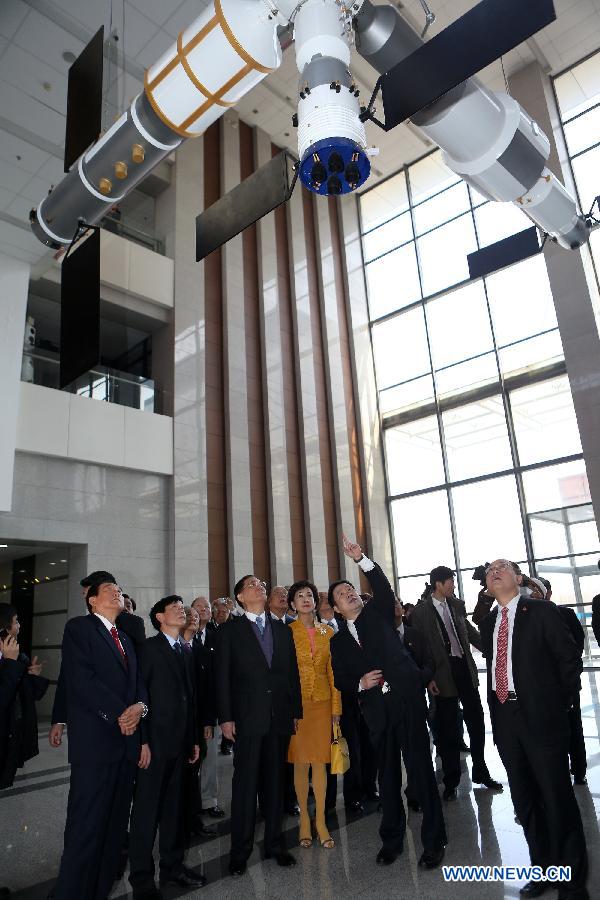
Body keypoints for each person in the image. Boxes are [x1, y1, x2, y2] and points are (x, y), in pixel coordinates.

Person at [329, 535, 447, 869]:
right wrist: (358, 682)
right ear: (336, 609)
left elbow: (381, 587)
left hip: (407, 703)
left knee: (421, 773)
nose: (350, 593)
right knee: (389, 778)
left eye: (351, 589)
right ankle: (391, 840)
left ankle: (434, 841)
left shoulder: (377, 613)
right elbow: (339, 678)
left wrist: (361, 558)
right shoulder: (337, 643)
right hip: (377, 714)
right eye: (341, 594)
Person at [480, 559, 588, 900]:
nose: (494, 572)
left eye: (502, 567)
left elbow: (569, 660)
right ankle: (543, 868)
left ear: (517, 577)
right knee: (525, 800)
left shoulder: (539, 612)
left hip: (542, 717)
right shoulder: (488, 622)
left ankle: (572, 881)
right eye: (489, 571)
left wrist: (558, 705)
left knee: (556, 796)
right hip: (505, 719)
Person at [52, 577, 149, 900]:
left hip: (125, 744)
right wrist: (121, 713)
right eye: (108, 590)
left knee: (113, 828)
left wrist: (140, 707)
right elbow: (81, 680)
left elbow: (138, 684)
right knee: (86, 827)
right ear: (91, 600)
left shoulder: (125, 637)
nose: (116, 592)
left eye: (119, 589)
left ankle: (98, 890)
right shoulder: (79, 629)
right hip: (96, 743)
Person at [216, 574, 303, 877]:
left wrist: (294, 711)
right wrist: (225, 717)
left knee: (276, 783)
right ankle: (240, 851)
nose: (260, 587)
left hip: (279, 717)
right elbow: (223, 678)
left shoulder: (282, 629)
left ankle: (275, 844)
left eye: (262, 584)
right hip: (247, 719)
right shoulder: (230, 631)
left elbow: (291, 674)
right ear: (240, 597)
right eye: (252, 585)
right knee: (245, 786)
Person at [128, 596, 205, 898]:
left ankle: (173, 868)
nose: (181, 610)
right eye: (174, 607)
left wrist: (194, 739)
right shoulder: (148, 649)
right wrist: (142, 740)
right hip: (154, 745)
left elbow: (190, 698)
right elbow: (139, 696)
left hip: (180, 744)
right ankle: (142, 881)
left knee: (175, 811)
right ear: (159, 617)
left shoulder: (186, 649)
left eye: (182, 606)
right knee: (146, 814)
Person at [409, 566, 502, 800]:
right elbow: (419, 650)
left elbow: (470, 634)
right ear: (437, 584)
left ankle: (481, 770)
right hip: (441, 675)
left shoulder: (457, 606)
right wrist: (427, 677)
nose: (453, 584)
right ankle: (451, 781)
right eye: (449, 581)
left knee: (476, 722)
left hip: (464, 670)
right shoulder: (421, 613)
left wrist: (495, 652)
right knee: (448, 730)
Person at [49, 572, 146, 749]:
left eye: (88, 592)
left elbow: (138, 674)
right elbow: (71, 675)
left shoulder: (128, 629)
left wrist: (138, 709)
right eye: (85, 594)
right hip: (95, 727)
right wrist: (59, 718)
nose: (85, 597)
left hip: (128, 728)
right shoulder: (79, 627)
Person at [286, 580, 342, 849]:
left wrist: (336, 709)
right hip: (297, 707)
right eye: (300, 595)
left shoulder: (327, 632)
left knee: (321, 762)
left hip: (322, 703)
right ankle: (304, 822)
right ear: (292, 604)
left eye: (309, 594)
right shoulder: (285, 632)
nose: (306, 599)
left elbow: (335, 673)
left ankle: (320, 821)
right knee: (300, 762)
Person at [537, 578, 587, 786]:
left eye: (537, 591)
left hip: (566, 684)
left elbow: (577, 645)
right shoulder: (528, 618)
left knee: (573, 726)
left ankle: (579, 769)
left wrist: (567, 675)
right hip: (542, 686)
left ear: (547, 593)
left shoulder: (565, 613)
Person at [0, 604, 48, 789]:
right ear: (6, 627)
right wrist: (11, 665)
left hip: (12, 737)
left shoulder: (19, 656)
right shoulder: (13, 658)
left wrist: (33, 676)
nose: (19, 625)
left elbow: (30, 696)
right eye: (16, 621)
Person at [190, 597, 224, 821]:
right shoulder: (183, 638)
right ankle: (189, 802)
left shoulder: (217, 638)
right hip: (188, 710)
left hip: (211, 709)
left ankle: (209, 800)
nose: (203, 610)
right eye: (199, 607)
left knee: (210, 757)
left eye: (207, 608)